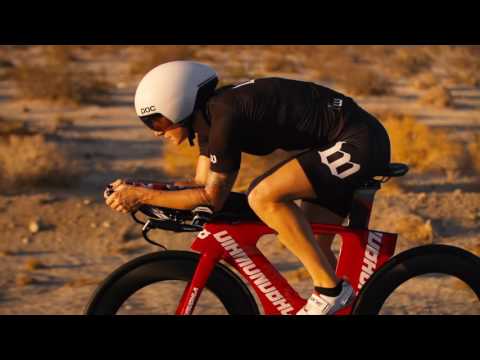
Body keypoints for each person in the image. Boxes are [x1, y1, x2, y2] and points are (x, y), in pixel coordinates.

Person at [105, 60, 391, 315]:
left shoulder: (225, 115)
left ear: (179, 104)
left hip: (358, 141)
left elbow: (211, 198)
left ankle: (330, 291)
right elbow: (198, 186)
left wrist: (142, 195)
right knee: (311, 243)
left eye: (156, 120)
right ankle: (338, 299)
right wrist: (143, 187)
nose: (155, 130)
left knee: (263, 196)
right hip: (342, 141)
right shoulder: (208, 119)